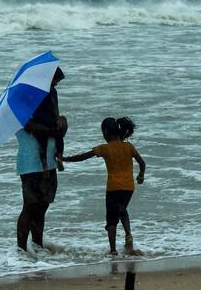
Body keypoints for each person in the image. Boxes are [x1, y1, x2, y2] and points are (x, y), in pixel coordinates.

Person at [63, 117, 146, 255]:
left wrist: (65, 159)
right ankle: (128, 235)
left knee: (111, 220)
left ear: (106, 131)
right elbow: (142, 163)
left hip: (113, 187)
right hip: (128, 187)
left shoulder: (105, 148)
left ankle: (113, 250)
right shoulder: (129, 146)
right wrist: (141, 175)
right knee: (122, 209)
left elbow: (83, 157)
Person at [15, 113, 67, 251]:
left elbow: (61, 130)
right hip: (30, 165)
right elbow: (33, 127)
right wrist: (53, 130)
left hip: (49, 164)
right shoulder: (21, 112)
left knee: (41, 208)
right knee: (29, 207)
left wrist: (61, 123)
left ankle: (37, 247)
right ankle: (21, 250)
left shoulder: (45, 108)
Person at [27, 67, 66, 175]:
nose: (57, 83)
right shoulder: (52, 91)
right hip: (51, 120)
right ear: (51, 78)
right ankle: (59, 157)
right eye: (56, 81)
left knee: (42, 143)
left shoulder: (36, 91)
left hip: (39, 121)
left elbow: (31, 107)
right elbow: (55, 106)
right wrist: (58, 119)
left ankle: (44, 166)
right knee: (59, 138)